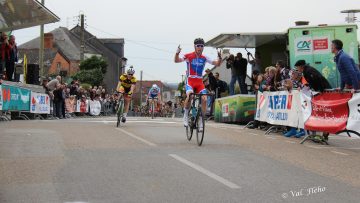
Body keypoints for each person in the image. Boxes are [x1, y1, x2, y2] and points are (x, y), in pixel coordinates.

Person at [174, 38, 222, 129]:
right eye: (198, 46)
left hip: (199, 82)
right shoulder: (189, 56)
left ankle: (201, 120)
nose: (200, 48)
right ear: (195, 47)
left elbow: (217, 64)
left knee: (204, 99)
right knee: (190, 96)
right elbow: (176, 60)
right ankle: (186, 115)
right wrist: (177, 53)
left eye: (202, 46)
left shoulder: (204, 57)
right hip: (190, 81)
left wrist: (220, 58)